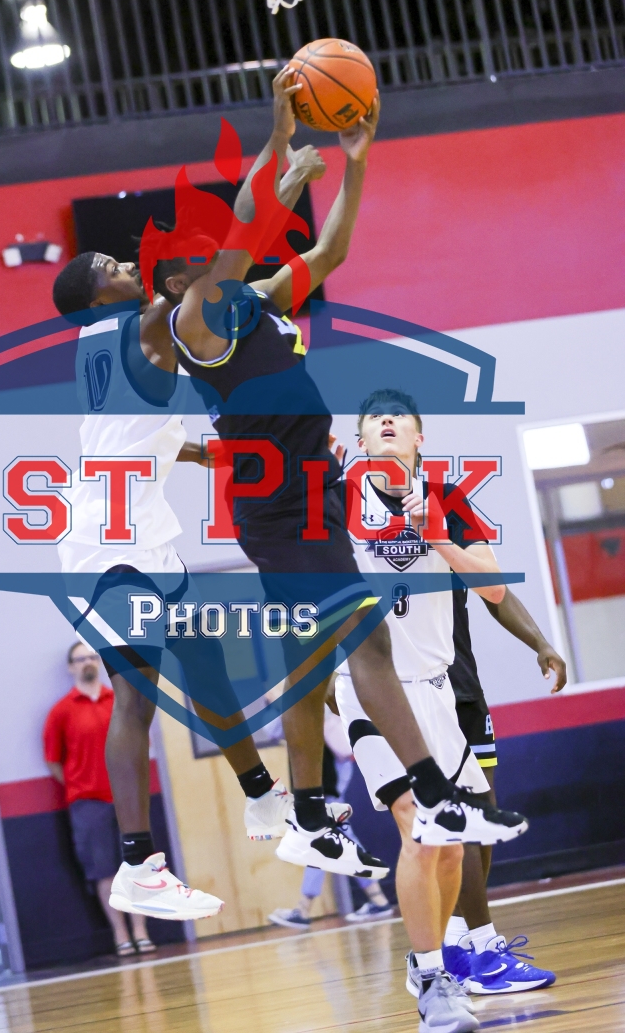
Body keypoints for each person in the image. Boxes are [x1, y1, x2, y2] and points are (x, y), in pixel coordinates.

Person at [162, 67, 528, 890]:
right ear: (180, 287)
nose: (212, 257)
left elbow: (331, 252)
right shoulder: (197, 327)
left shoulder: (257, 303)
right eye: (196, 259)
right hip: (277, 506)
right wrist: (277, 137)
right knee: (367, 639)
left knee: (310, 658)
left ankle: (306, 814)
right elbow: (246, 225)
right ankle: (437, 796)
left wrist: (357, 160)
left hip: (312, 491)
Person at [50, 138, 341, 924]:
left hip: (134, 531)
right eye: (112, 265)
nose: (124, 265)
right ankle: (138, 865)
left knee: (206, 666)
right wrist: (286, 175)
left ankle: (261, 795)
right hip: (108, 543)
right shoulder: (149, 324)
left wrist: (203, 451)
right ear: (98, 295)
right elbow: (236, 250)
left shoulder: (104, 346)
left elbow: (132, 436)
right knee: (136, 696)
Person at [331, 389, 523, 1031]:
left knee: (451, 846)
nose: (386, 421)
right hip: (373, 689)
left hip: (438, 690)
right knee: (418, 827)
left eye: (400, 417)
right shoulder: (335, 497)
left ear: (419, 438)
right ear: (360, 442)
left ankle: (430, 961)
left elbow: (493, 587)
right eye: (373, 418)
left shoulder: (448, 498)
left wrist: (437, 537)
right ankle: (436, 982)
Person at [442, 588, 565, 993]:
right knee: (458, 821)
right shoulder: (370, 552)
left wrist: (540, 642)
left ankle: (456, 944)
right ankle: (486, 954)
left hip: (465, 689)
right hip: (420, 693)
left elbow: (495, 591)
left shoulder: (454, 546)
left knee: (485, 816)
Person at [43, 642, 154, 957]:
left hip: (128, 799)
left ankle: (141, 931)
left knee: (138, 866)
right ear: (71, 667)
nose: (87, 662)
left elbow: (140, 743)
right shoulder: (61, 712)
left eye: (93, 657)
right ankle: (121, 935)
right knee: (104, 871)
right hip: (88, 803)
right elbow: (53, 761)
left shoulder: (122, 703)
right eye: (80, 659)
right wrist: (82, 785)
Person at [268, 704, 392, 930]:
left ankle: (304, 909)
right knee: (332, 841)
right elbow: (273, 731)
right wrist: (278, 702)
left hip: (328, 787)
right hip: (315, 787)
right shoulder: (294, 709)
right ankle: (378, 900)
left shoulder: (320, 705)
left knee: (320, 842)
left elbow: (341, 747)